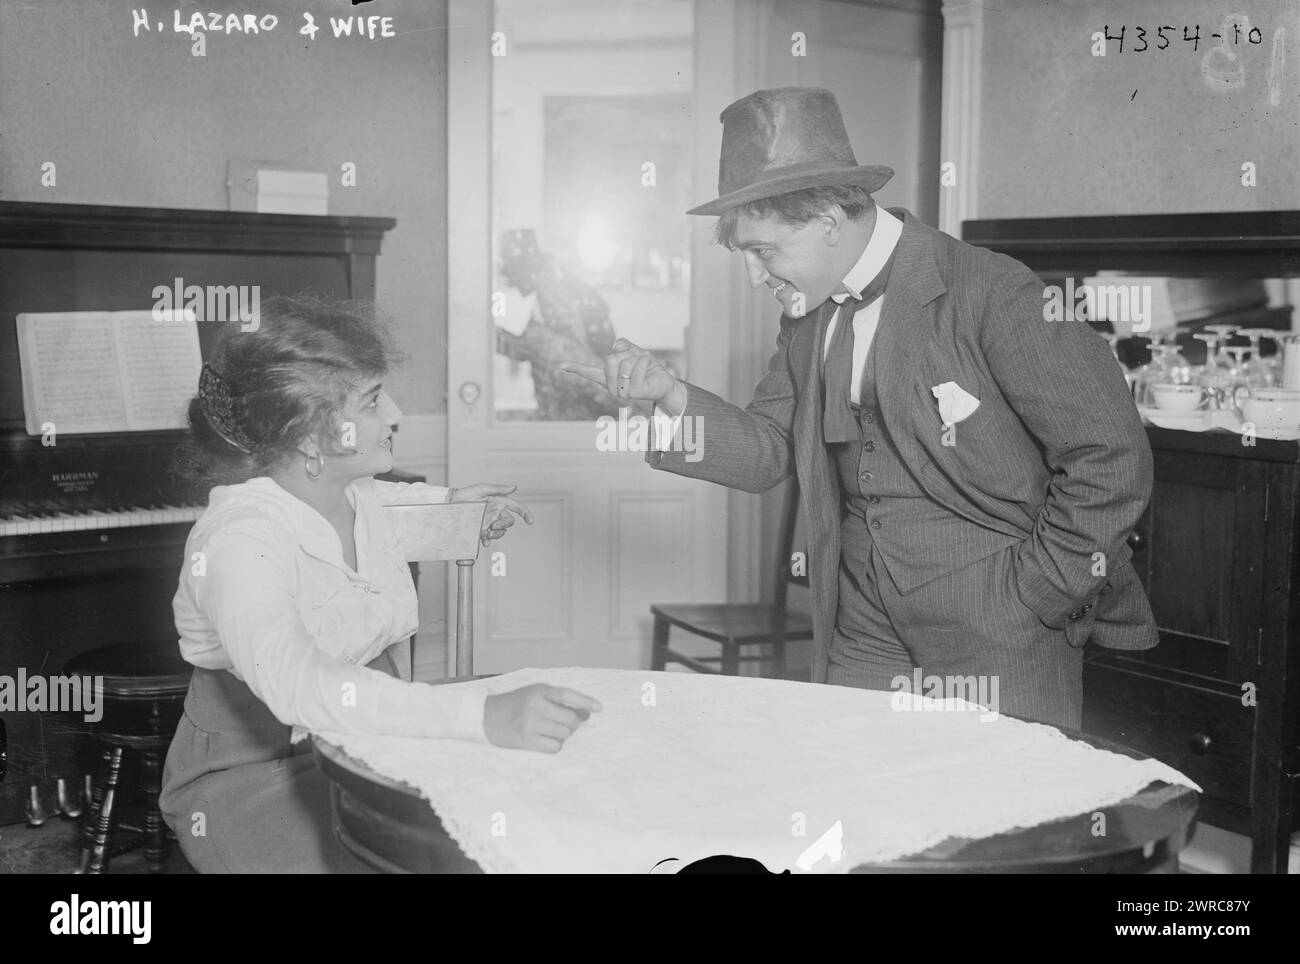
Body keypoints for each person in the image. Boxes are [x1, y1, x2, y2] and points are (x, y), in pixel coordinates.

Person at [563, 87, 1158, 730]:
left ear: (827, 220)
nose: (755, 277)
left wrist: (1039, 590)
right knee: (860, 799)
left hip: (1002, 622)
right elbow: (769, 451)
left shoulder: (993, 291)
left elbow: (1111, 454)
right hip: (863, 621)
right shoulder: (806, 316)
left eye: (763, 252)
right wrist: (669, 397)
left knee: (995, 816)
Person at [160, 295, 601, 873]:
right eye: (371, 401)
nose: (394, 413)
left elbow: (386, 510)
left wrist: (451, 506)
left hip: (368, 747)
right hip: (253, 775)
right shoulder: (237, 540)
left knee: (526, 831)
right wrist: (481, 715)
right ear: (310, 437)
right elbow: (299, 686)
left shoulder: (352, 494)